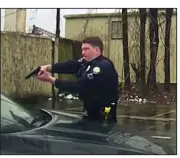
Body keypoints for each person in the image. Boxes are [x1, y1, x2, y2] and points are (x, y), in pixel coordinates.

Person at [36, 36, 119, 122]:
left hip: (102, 116)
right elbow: (71, 66)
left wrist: (51, 79)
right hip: (90, 110)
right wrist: (48, 68)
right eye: (82, 49)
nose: (83, 52)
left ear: (97, 50)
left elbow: (80, 86)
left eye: (86, 49)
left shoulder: (103, 66)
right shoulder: (87, 62)